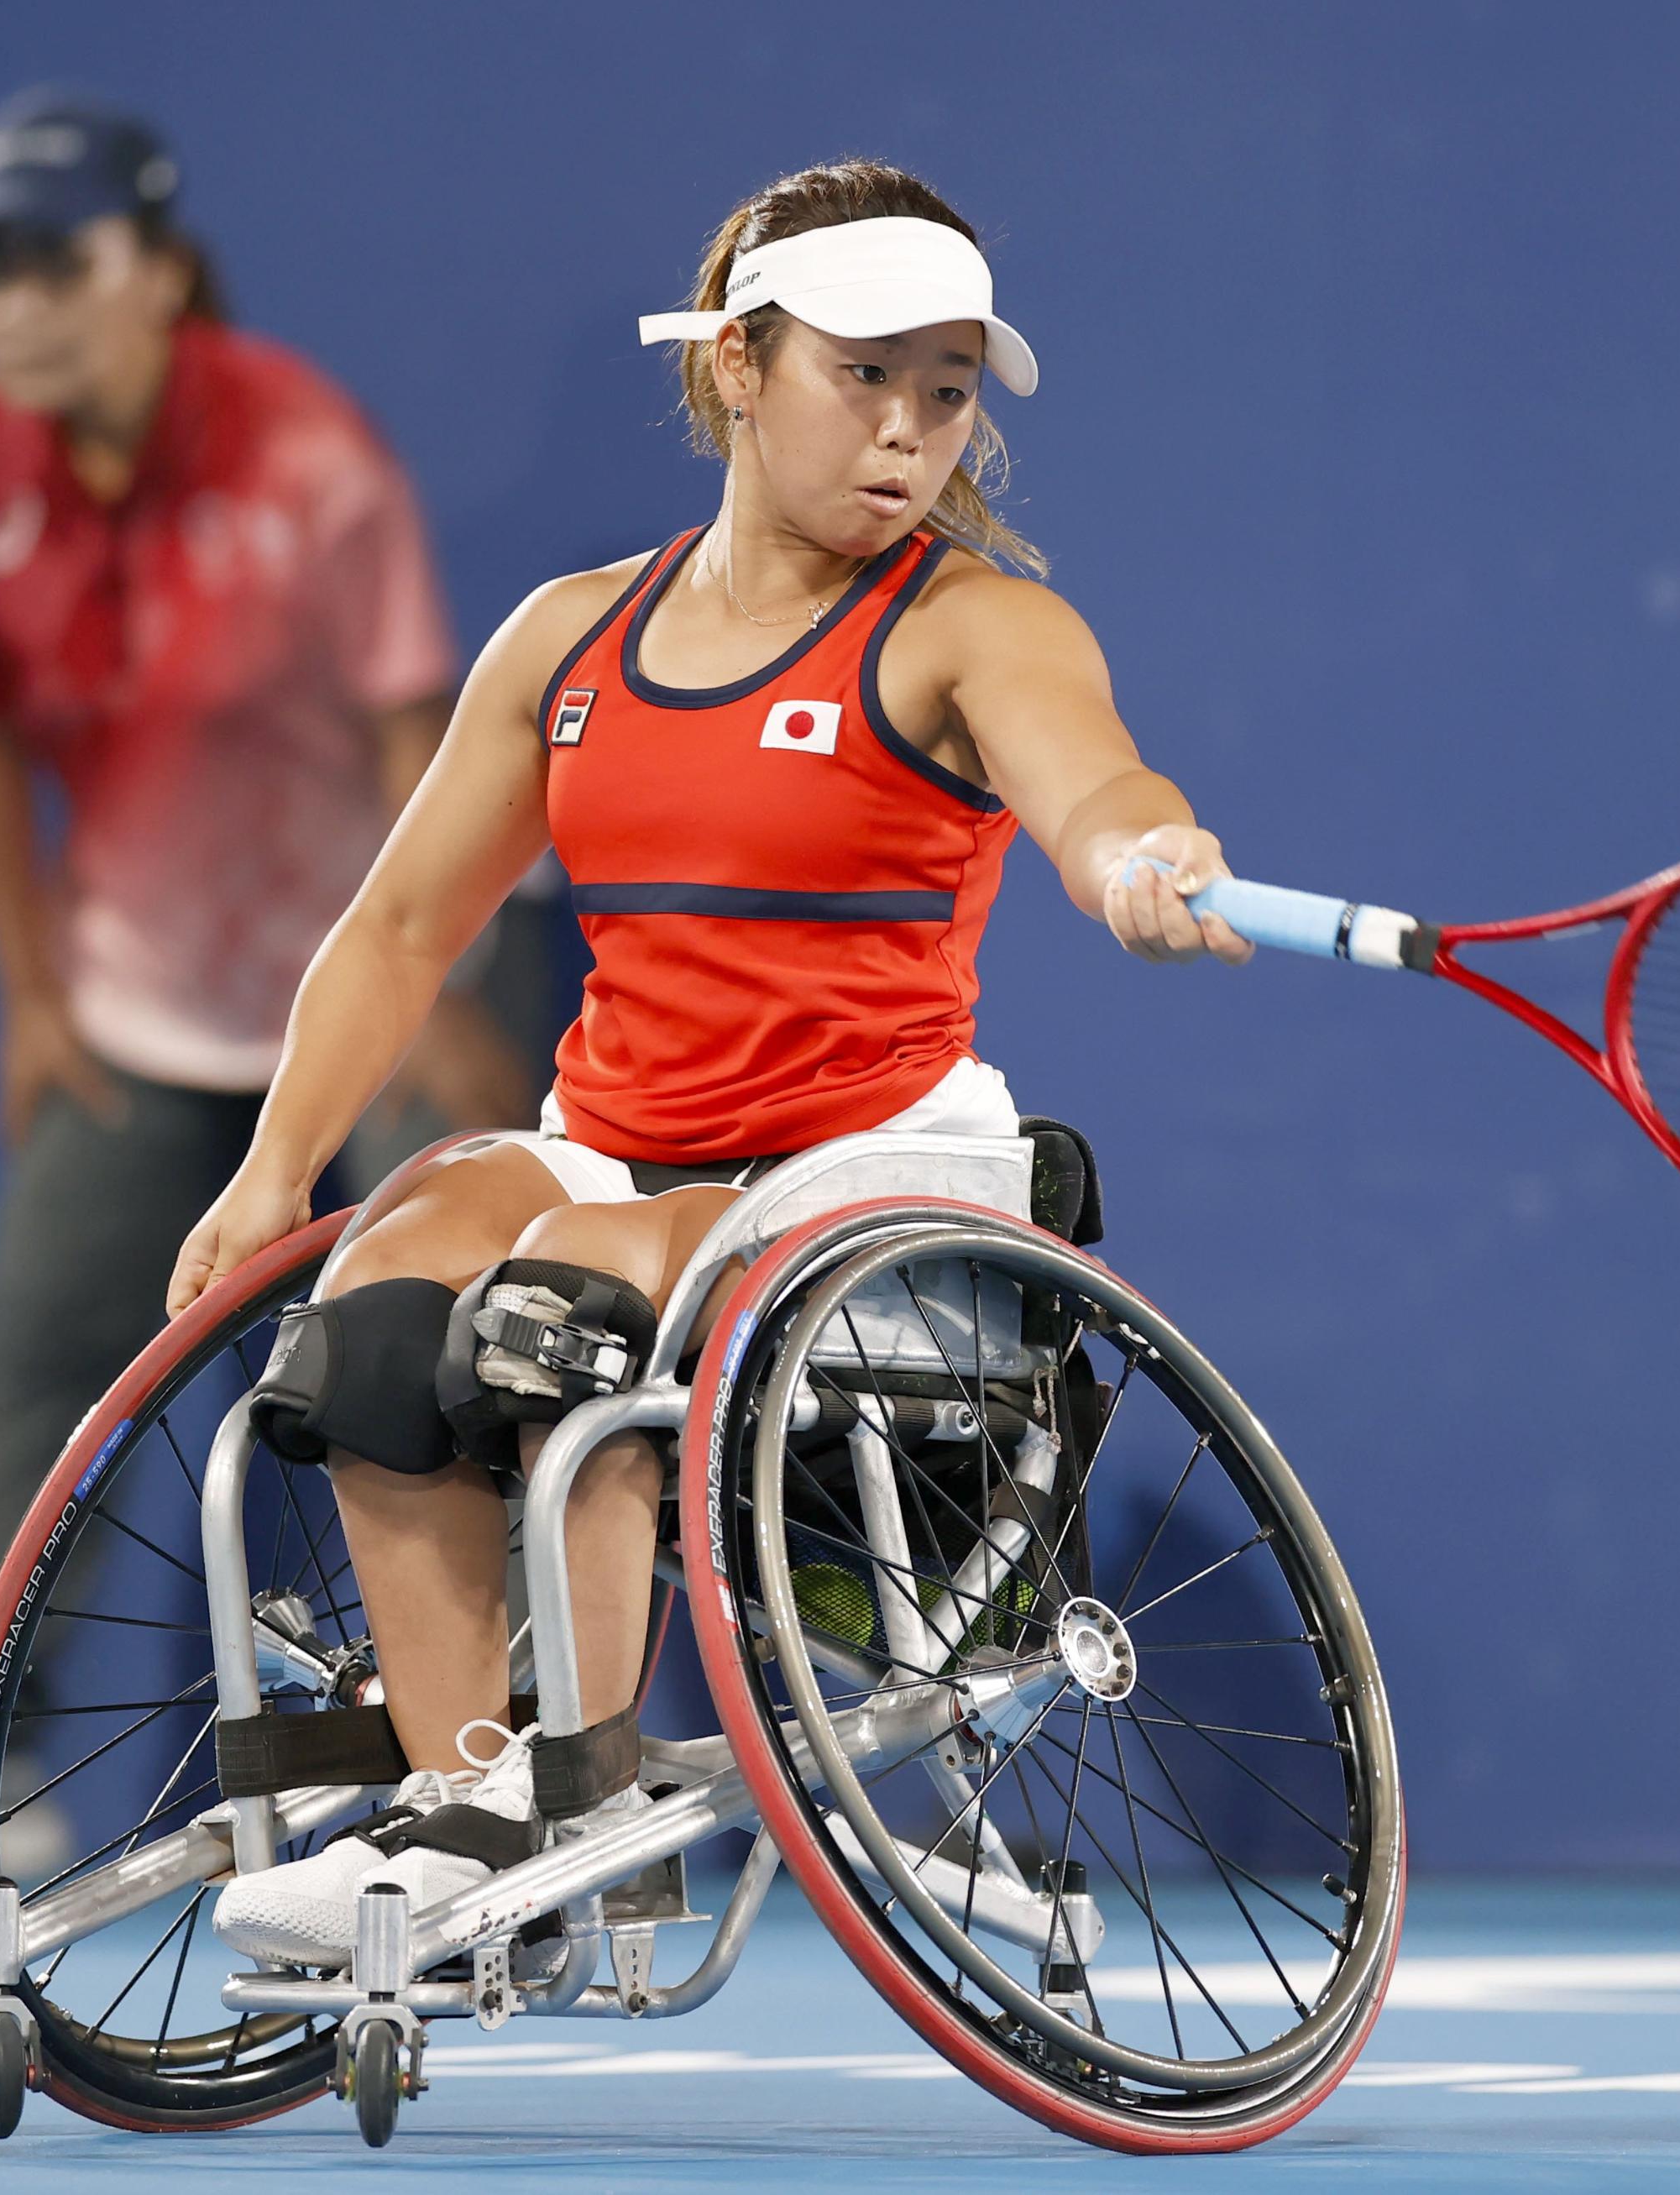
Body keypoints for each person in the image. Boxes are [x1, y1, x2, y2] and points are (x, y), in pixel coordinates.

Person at [157, 157, 1253, 1967]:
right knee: (363, 1324)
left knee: (551, 1312)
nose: (910, 434)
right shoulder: (567, 636)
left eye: (948, 390)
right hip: (616, 1140)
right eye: (863, 378)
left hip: (861, 1167)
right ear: (738, 365)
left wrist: (1145, 855)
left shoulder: (973, 624)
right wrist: (276, 1170)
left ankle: (576, 1807)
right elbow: (401, 931)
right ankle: (475, 1808)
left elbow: (1093, 786)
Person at [0, 91, 540, 1883]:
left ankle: (550, 1757)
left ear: (159, 274)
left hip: (368, 1015)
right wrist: (33, 994)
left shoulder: (309, 460)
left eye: (55, 261)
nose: (12, 302)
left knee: (503, 1363)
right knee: (42, 1380)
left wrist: (444, 995)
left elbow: (438, 753)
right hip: (140, 1019)